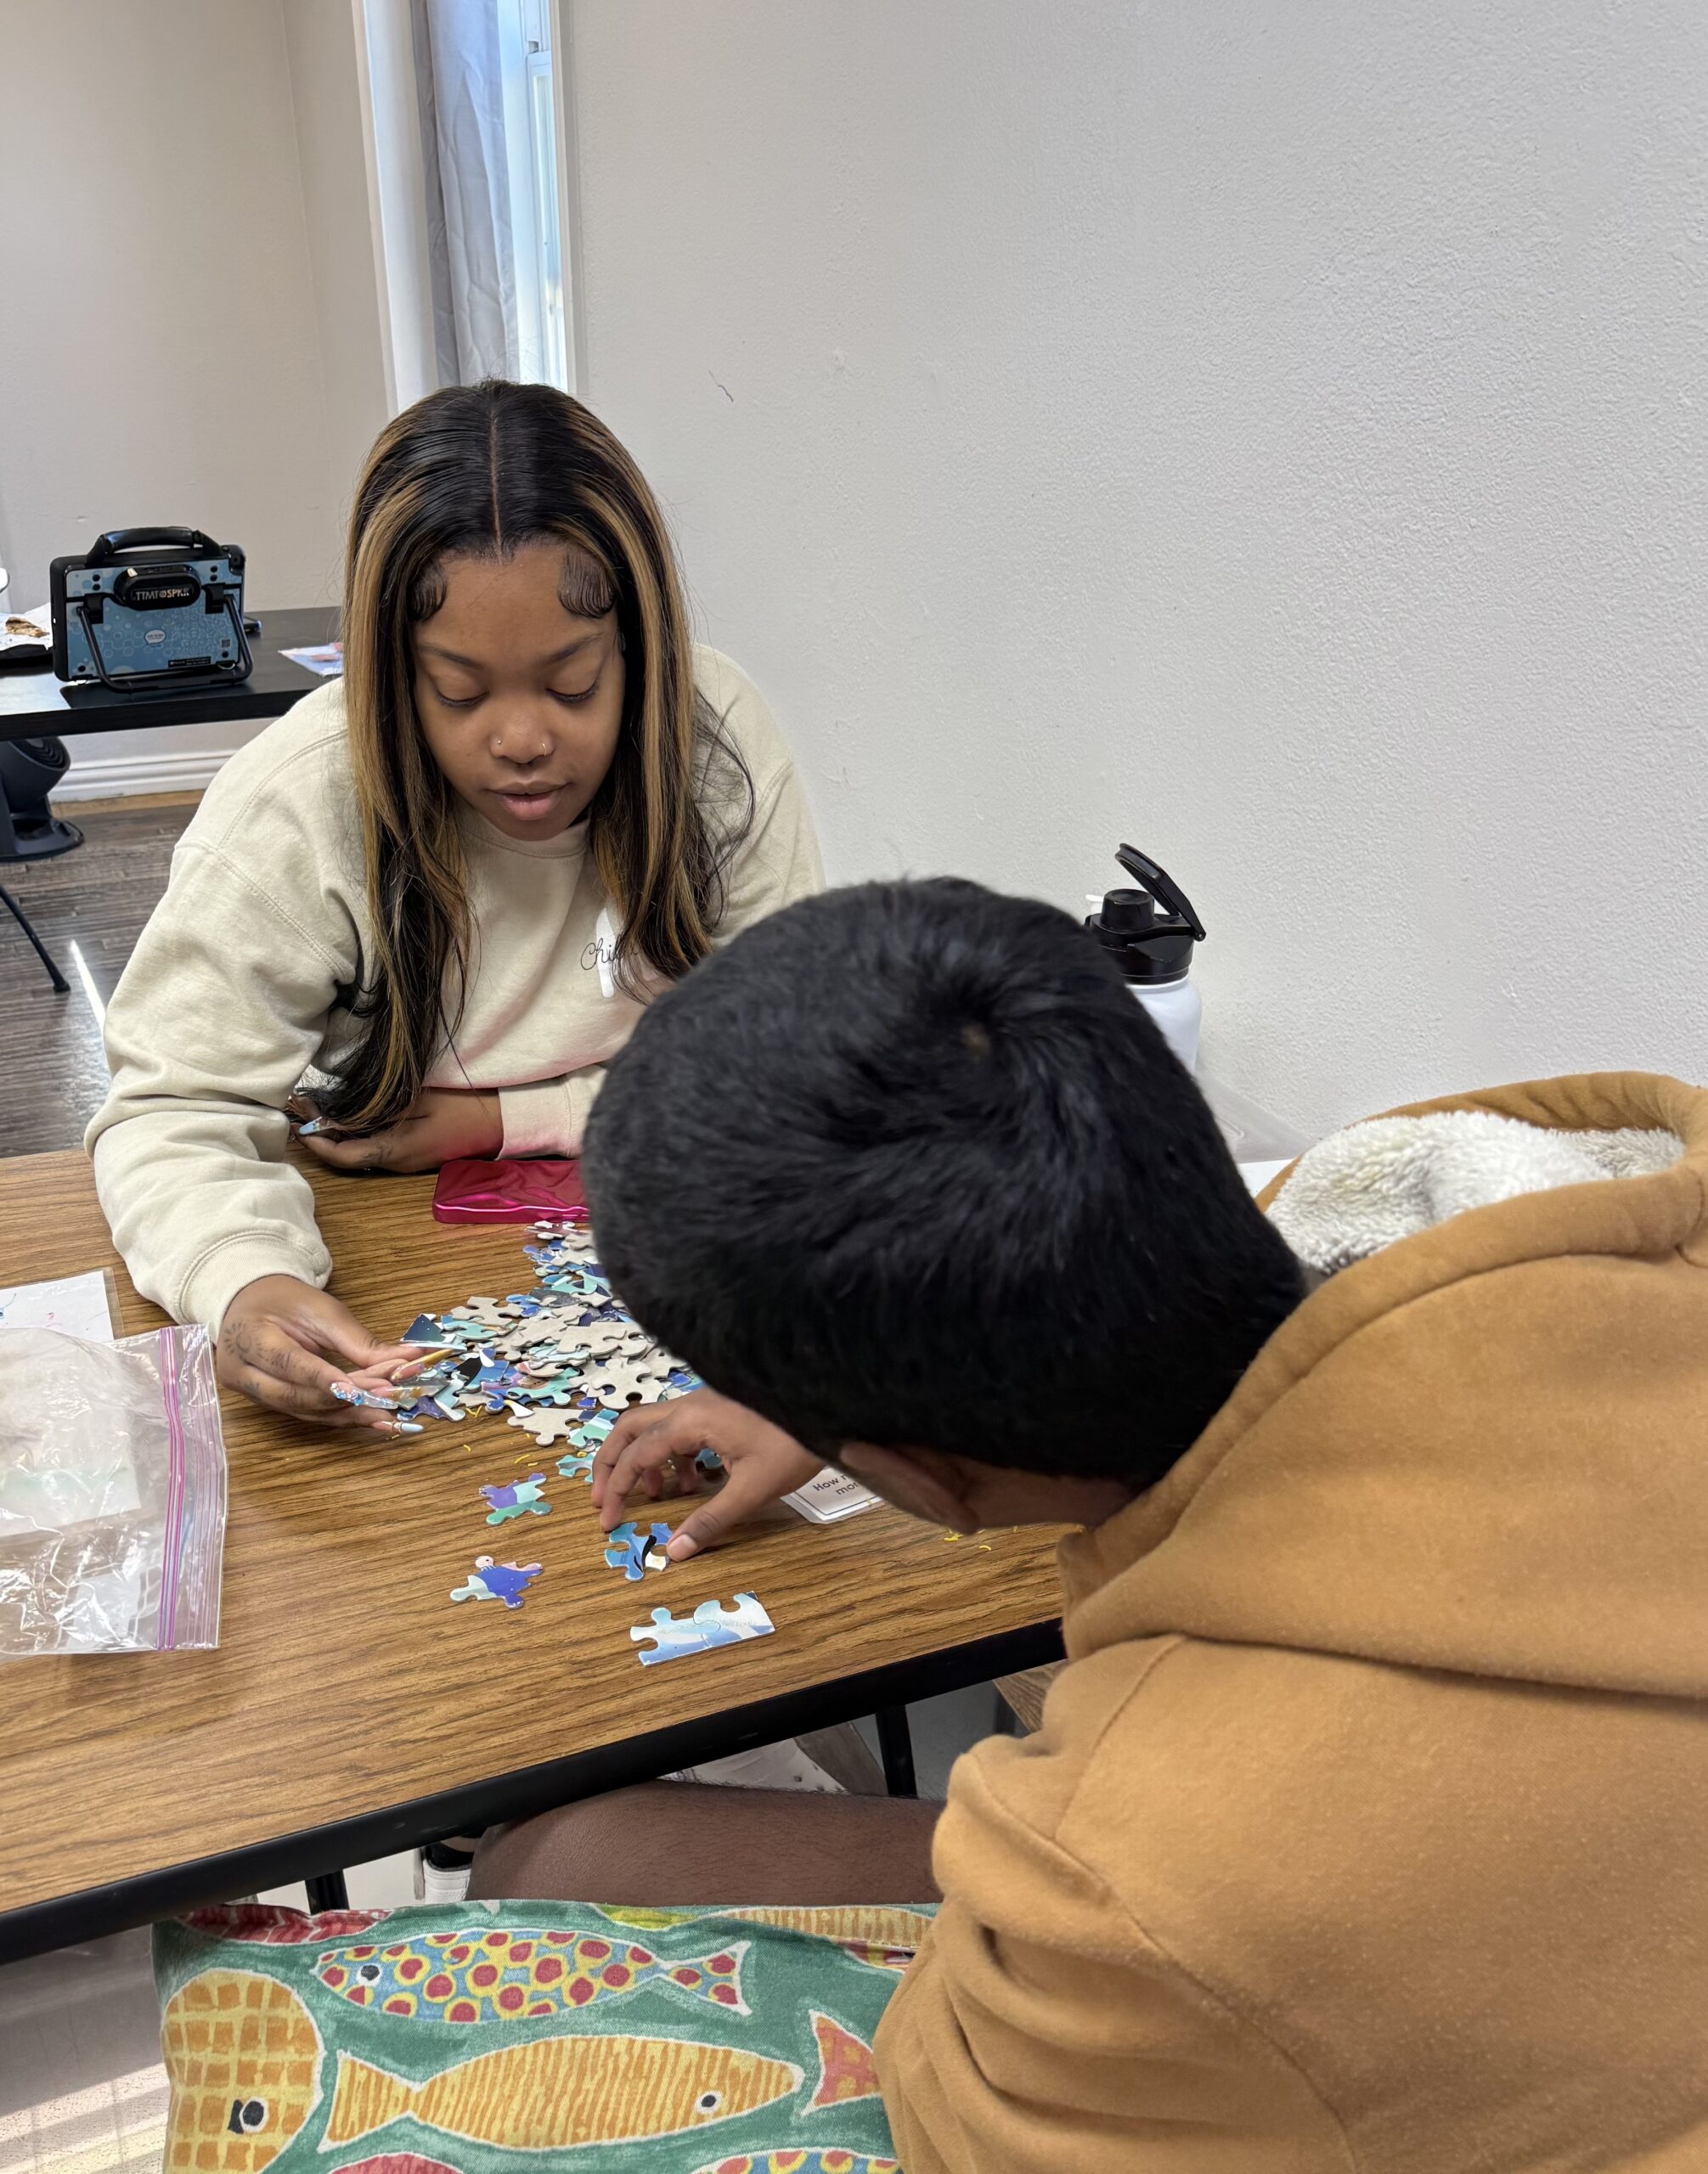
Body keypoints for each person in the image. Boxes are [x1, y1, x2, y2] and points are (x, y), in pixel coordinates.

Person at [478, 876, 1708, 2174]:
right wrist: (839, 1412)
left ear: (932, 1479)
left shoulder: (1133, 1867)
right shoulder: (1580, 1226)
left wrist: (871, 1421)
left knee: (548, 1856)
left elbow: (953, 2118)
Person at [87, 380, 821, 1436]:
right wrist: (239, 1276)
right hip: (373, 1235)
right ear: (389, 676)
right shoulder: (295, 802)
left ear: (641, 654)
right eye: (460, 692)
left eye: (572, 685)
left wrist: (496, 1122)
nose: (521, 741)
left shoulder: (720, 749)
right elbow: (170, 1111)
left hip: (666, 1233)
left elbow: (783, 1070)